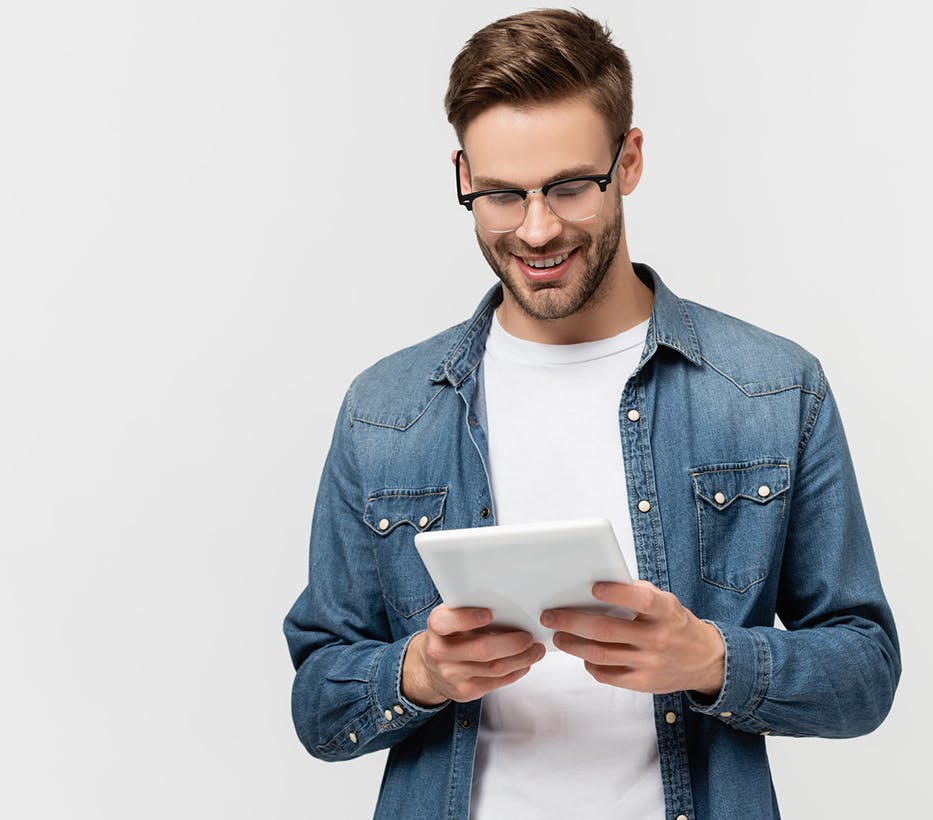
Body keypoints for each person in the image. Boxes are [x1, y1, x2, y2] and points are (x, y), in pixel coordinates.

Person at [283, 9, 900, 819]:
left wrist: (710, 658)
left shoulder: (769, 389)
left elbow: (864, 675)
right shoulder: (386, 411)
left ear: (629, 160)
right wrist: (420, 674)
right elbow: (319, 708)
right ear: (463, 174)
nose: (536, 230)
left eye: (570, 186)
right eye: (502, 194)